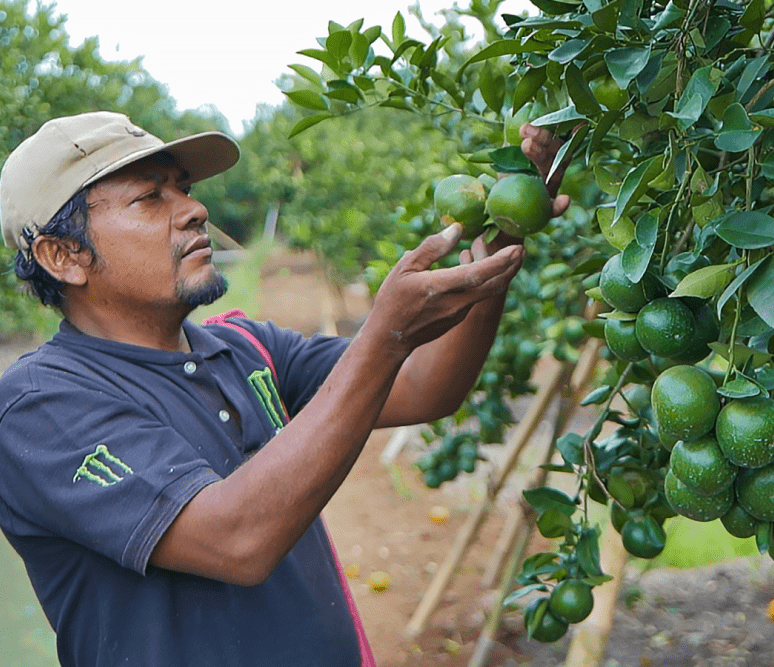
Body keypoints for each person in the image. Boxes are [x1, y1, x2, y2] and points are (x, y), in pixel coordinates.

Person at [0, 110, 569, 667]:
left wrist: (499, 241)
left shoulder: (246, 348)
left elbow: (426, 387)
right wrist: (385, 337)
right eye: (151, 199)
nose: (195, 210)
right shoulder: (41, 406)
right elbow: (236, 540)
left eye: (185, 189)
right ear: (63, 255)